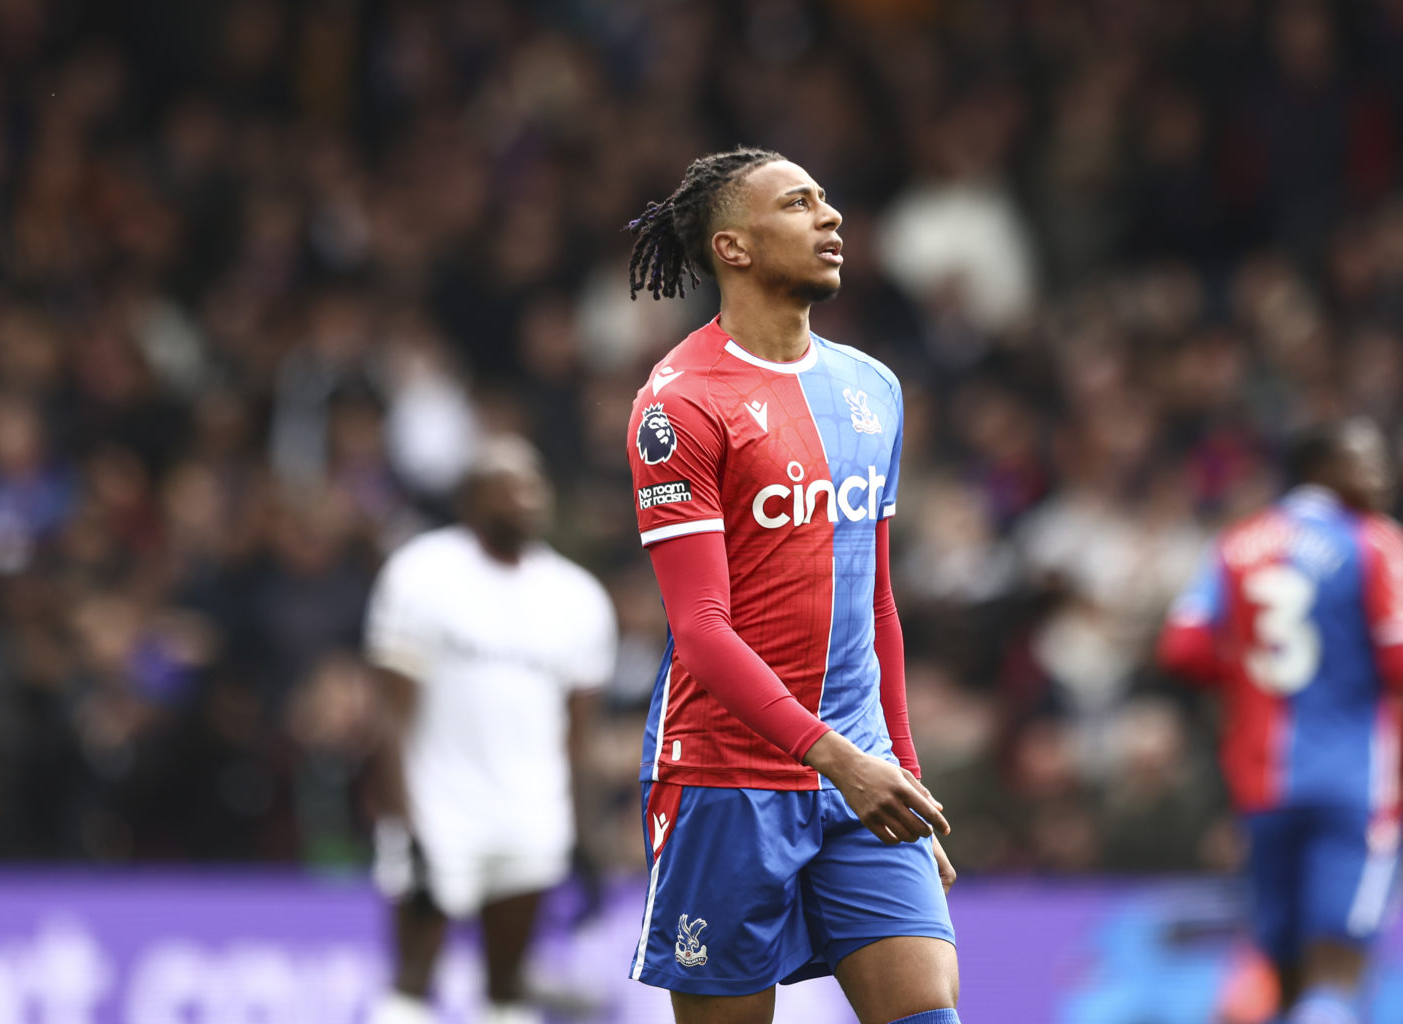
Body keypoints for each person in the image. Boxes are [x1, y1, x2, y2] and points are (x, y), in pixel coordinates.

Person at [622, 147, 960, 1024]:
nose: (831, 216)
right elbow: (699, 628)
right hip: (726, 782)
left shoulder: (873, 389)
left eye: (827, 198)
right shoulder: (680, 404)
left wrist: (900, 768)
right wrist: (837, 757)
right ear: (733, 247)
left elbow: (876, 602)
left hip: (858, 766)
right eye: (799, 203)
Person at [1157, 419, 1403, 1024]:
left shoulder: (1236, 543)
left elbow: (1180, 648)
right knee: (1338, 968)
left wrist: (1248, 675)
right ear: (1320, 467)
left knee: (1283, 970)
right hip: (1354, 783)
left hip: (1262, 782)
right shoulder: (1375, 541)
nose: (1382, 477)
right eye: (1365, 461)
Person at [364, 436, 617, 1024]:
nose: (526, 499)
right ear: (470, 500)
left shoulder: (578, 599)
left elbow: (578, 739)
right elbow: (390, 717)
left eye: (534, 486)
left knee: (506, 995)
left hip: (531, 814)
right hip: (437, 809)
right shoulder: (420, 574)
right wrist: (405, 826)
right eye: (508, 487)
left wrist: (587, 838)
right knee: (411, 985)